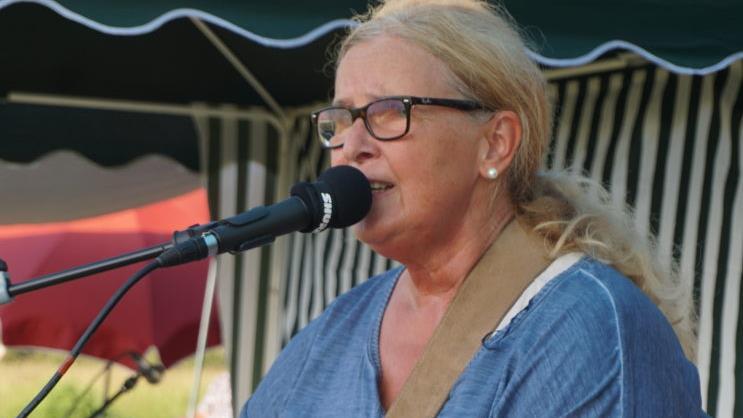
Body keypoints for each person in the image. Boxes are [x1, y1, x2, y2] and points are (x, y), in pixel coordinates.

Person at [242, 0, 707, 416]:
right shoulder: (340, 324)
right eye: (340, 120)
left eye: (389, 111)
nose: (352, 146)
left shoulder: (590, 326)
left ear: (495, 144)